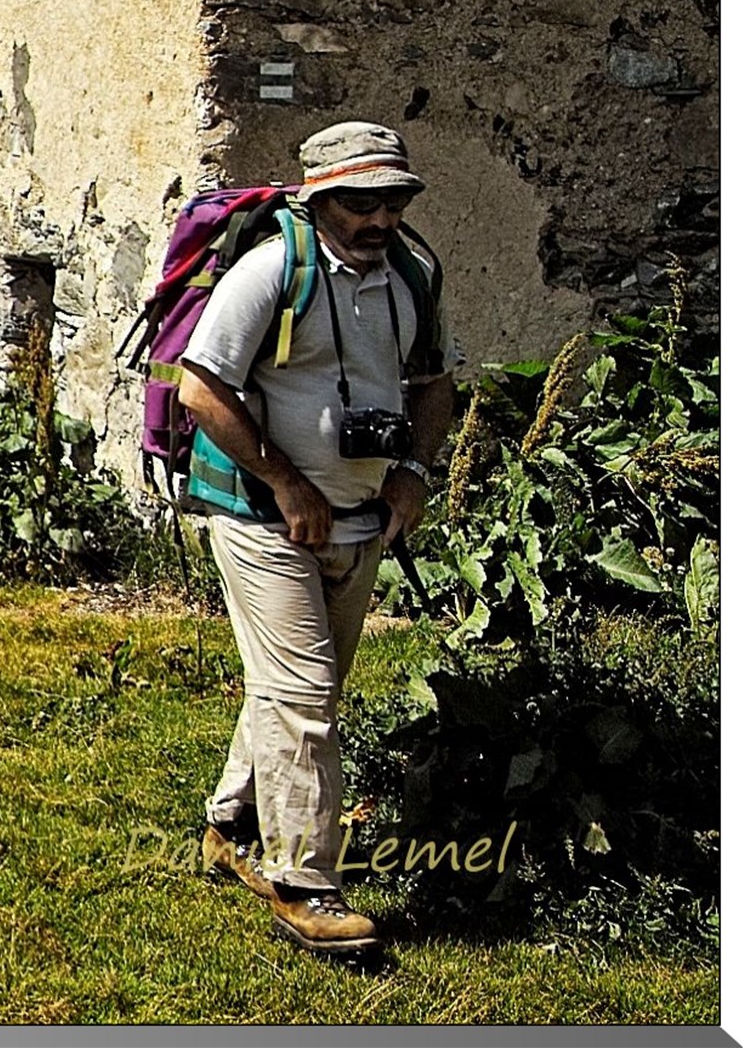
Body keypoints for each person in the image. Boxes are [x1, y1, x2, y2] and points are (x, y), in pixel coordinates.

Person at [174, 120, 461, 958]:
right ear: (320, 199)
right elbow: (200, 388)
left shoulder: (414, 272)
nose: (378, 218)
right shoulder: (273, 269)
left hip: (362, 516)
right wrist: (284, 480)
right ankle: (305, 885)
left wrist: (412, 472)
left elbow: (434, 383)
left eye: (392, 200)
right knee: (305, 697)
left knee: (302, 684)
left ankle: (229, 823)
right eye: (359, 202)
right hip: (262, 515)